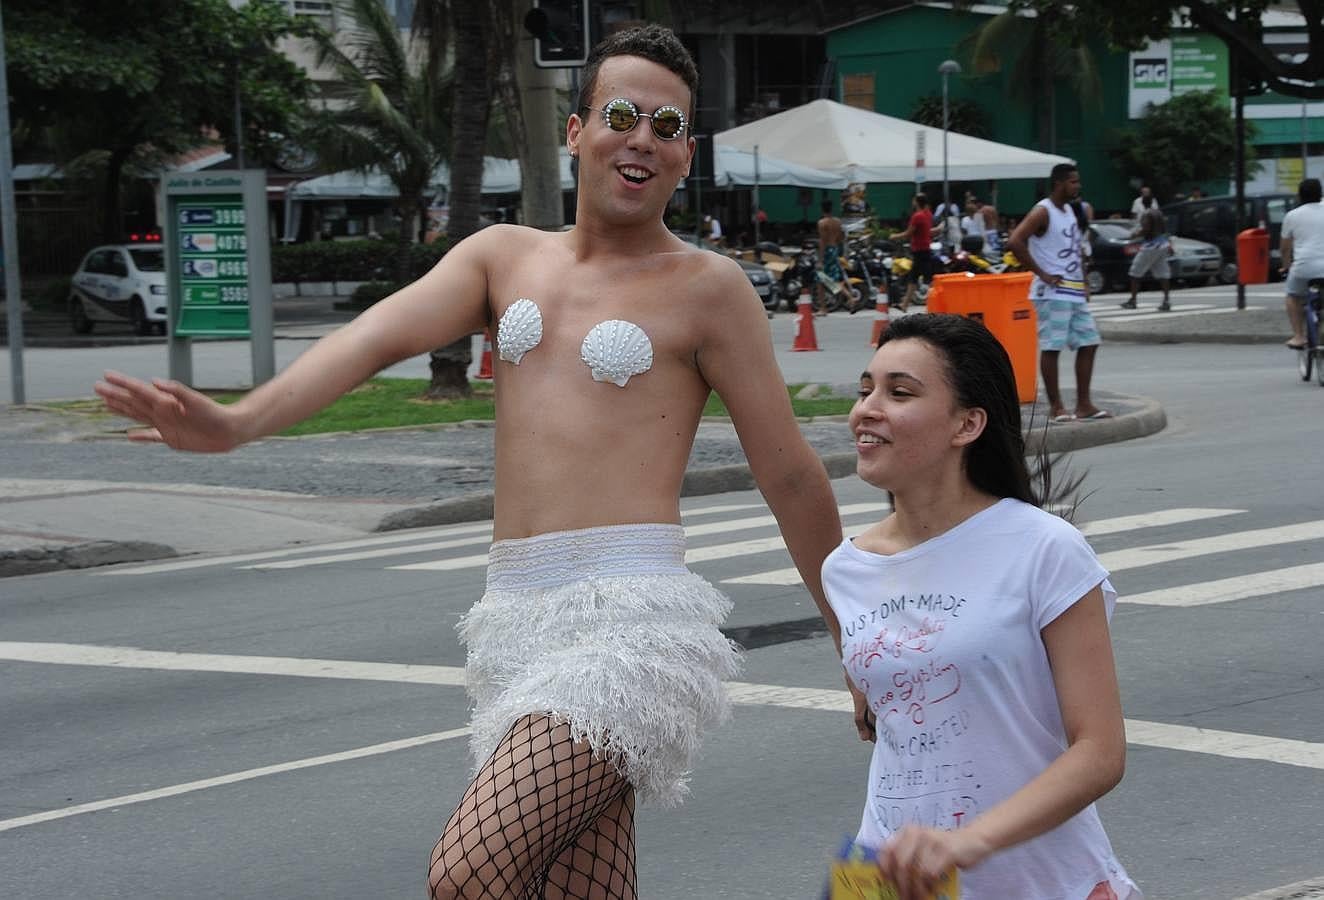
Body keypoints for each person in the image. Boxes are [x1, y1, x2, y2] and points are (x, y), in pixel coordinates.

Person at [94, 24, 848, 900]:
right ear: (576, 132)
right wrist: (238, 424)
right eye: (620, 113)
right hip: (511, 622)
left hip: (633, 625)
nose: (642, 137)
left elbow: (789, 472)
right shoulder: (501, 256)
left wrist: (851, 636)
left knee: (470, 875)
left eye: (668, 126)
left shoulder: (709, 289)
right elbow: (373, 337)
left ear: (684, 158)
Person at [823, 313, 1140, 900]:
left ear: (967, 424)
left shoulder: (1044, 548)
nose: (867, 408)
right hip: (888, 877)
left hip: (1035, 880)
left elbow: (1100, 752)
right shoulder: (845, 569)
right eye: (866, 389)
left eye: (900, 392)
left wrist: (968, 842)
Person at [1008, 164, 1112, 423]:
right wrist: (1042, 273)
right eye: (1073, 182)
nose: (1078, 186)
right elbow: (1015, 241)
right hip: (1052, 292)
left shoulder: (1070, 212)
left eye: (1078, 182)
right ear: (1058, 183)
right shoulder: (1043, 211)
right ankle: (1057, 407)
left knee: (1089, 342)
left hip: (1074, 291)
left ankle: (1084, 404)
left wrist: (1085, 281)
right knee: (1052, 347)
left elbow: (1075, 249)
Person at [1279, 177, 1324, 349]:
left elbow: (1285, 248)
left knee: (1292, 296)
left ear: (1300, 195)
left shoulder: (1292, 216)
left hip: (1304, 267)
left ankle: (1298, 336)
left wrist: (1286, 266)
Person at [1119, 206, 1174, 312]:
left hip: (1150, 246)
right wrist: (1169, 244)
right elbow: (1164, 230)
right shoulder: (1158, 213)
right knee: (1163, 274)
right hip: (1162, 244)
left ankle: (1133, 301)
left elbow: (1146, 228)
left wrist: (1135, 235)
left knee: (1135, 273)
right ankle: (1166, 300)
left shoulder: (1147, 214)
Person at [890, 194, 934, 313]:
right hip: (924, 249)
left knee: (927, 279)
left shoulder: (917, 216)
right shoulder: (928, 214)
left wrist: (894, 236)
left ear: (916, 202)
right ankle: (904, 305)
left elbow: (908, 233)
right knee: (914, 278)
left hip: (920, 250)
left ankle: (937, 303)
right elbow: (928, 230)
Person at [816, 199, 849, 315]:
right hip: (835, 249)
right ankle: (849, 297)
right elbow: (841, 237)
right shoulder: (837, 222)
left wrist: (820, 260)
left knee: (821, 279)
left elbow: (822, 242)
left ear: (822, 209)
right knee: (828, 279)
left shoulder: (822, 223)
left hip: (827, 252)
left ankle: (823, 308)